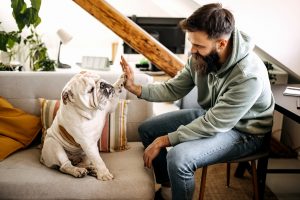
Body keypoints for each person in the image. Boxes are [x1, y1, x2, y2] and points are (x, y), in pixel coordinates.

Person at [120, 3, 274, 200]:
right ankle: (168, 187)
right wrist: (135, 88)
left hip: (246, 132)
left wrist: (165, 140)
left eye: (199, 45)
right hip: (214, 115)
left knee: (178, 157)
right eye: (191, 42)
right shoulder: (200, 57)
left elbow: (214, 123)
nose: (192, 50)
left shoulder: (248, 75)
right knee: (147, 129)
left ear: (221, 44)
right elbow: (174, 88)